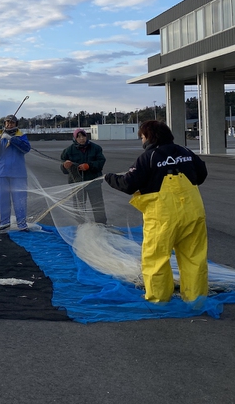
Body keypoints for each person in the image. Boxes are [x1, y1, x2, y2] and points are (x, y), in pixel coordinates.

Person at [104, 120, 209, 304]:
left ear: (149, 137)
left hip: (163, 217)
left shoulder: (148, 157)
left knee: (156, 257)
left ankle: (158, 298)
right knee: (194, 257)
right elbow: (201, 175)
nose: (142, 140)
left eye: (142, 137)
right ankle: (196, 298)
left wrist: (109, 178)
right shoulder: (186, 151)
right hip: (193, 212)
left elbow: (129, 183)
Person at [0, 114, 31, 230]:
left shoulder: (21, 136)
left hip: (18, 173)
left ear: (16, 124)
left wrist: (12, 139)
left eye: (11, 123)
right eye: (7, 122)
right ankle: (4, 222)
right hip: (2, 172)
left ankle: (22, 224)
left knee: (20, 199)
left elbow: (26, 148)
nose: (9, 124)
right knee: (3, 199)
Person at [60, 128, 107, 224]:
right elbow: (64, 168)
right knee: (79, 206)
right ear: (75, 138)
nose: (82, 139)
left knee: (97, 205)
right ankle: (81, 225)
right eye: (79, 137)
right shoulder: (68, 151)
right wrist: (65, 166)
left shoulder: (96, 148)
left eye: (83, 136)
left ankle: (102, 224)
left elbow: (101, 162)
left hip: (93, 182)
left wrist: (89, 165)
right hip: (77, 184)